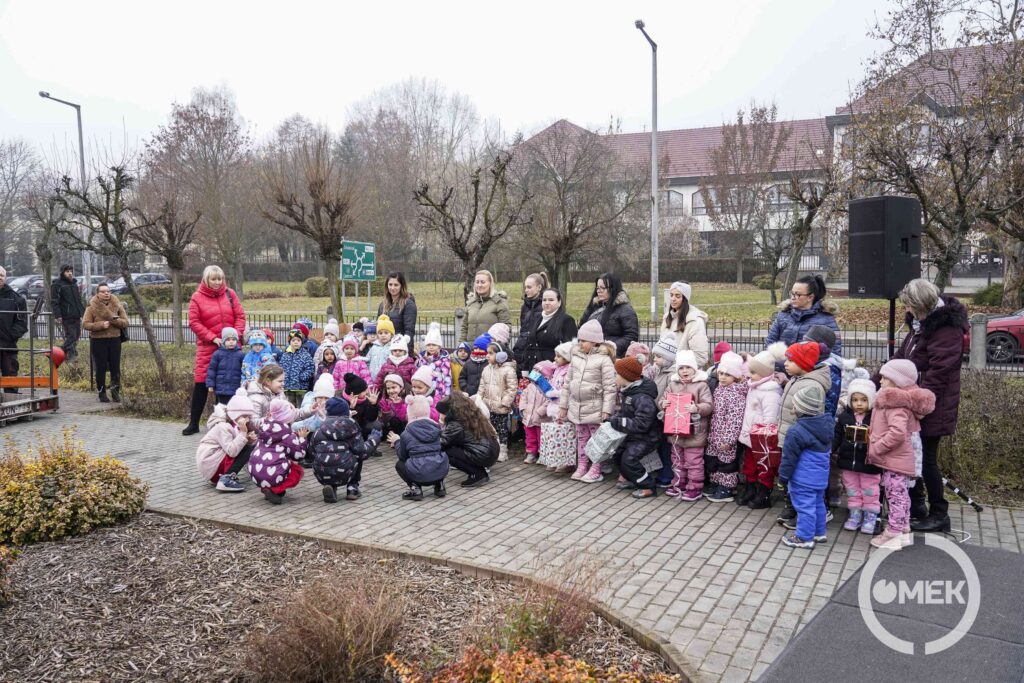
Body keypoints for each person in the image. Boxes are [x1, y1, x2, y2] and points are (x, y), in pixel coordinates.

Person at [888, 278, 968, 534]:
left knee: (928, 460)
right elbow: (903, 358)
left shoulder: (945, 329)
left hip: (934, 405)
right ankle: (917, 505)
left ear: (921, 305)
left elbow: (940, 370)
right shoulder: (922, 325)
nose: (908, 312)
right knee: (913, 457)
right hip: (917, 401)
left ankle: (939, 513)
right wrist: (879, 379)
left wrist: (919, 401)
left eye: (911, 307)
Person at [867, 359, 936, 549]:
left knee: (895, 494)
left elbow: (897, 433)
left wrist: (877, 447)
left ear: (897, 380)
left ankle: (893, 532)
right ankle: (903, 528)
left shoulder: (895, 405)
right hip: (899, 458)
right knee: (901, 493)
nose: (880, 381)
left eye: (885, 377)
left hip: (895, 459)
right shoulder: (897, 401)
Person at [776, 341, 832, 530]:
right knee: (791, 476)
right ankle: (791, 507)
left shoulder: (812, 386)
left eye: (790, 360)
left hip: (800, 439)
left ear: (804, 364)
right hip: (788, 435)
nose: (785, 364)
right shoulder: (796, 379)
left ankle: (804, 514)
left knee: (800, 479)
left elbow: (809, 417)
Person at [185, 265, 246, 436]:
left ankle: (225, 422)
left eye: (220, 279)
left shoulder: (230, 294)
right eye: (214, 279)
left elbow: (240, 317)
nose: (217, 282)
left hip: (231, 348)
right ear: (206, 280)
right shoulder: (197, 297)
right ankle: (194, 422)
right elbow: (194, 322)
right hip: (208, 347)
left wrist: (234, 336)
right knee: (202, 384)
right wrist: (213, 338)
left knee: (227, 383)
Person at [558, 319, 617, 483]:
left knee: (597, 440)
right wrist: (563, 405)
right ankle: (583, 465)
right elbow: (567, 384)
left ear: (594, 341)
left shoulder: (604, 360)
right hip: (577, 406)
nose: (580, 343)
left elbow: (610, 387)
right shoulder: (576, 357)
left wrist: (607, 410)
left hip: (595, 407)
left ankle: (596, 468)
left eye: (584, 340)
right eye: (580, 340)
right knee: (582, 438)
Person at [778, 384, 832, 549]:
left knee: (804, 506)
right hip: (820, 476)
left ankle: (803, 537)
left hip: (803, 477)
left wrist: (783, 478)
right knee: (818, 503)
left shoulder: (796, 431)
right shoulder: (826, 425)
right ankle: (818, 532)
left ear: (801, 408)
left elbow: (789, 458)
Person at [738, 343, 787, 509]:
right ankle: (750, 487)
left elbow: (770, 418)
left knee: (764, 466)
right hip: (750, 435)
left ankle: (764, 491)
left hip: (761, 438)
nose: (749, 375)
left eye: (753, 372)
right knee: (749, 464)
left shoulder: (770, 392)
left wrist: (764, 435)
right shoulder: (754, 386)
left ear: (765, 373)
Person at [661, 350, 713, 501]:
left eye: (688, 367)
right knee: (677, 459)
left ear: (695, 369)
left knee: (693, 461)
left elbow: (709, 405)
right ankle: (678, 483)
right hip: (675, 430)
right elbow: (663, 401)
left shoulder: (701, 386)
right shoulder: (672, 384)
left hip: (695, 433)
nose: (684, 371)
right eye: (681, 368)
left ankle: (695, 487)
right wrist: (663, 404)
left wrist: (696, 408)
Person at [310, 397, 382, 503]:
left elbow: (311, 452)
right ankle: (352, 487)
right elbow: (363, 452)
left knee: (326, 456)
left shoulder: (320, 429)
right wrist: (374, 439)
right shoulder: (351, 427)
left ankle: (330, 486)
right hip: (345, 471)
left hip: (322, 472)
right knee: (357, 454)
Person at [608, 357, 662, 499]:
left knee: (629, 459)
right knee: (617, 454)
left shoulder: (642, 397)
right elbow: (626, 413)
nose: (615, 377)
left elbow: (642, 423)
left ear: (627, 377)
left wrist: (619, 422)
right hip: (633, 435)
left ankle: (648, 486)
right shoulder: (629, 392)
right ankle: (634, 480)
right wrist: (615, 419)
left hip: (647, 437)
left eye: (617, 374)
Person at [835, 378, 881, 535]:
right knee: (852, 489)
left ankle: (870, 517)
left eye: (863, 400)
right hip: (848, 462)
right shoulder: (844, 417)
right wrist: (831, 450)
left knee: (870, 491)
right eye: (855, 400)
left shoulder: (876, 418)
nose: (859, 404)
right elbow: (837, 436)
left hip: (869, 463)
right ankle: (855, 514)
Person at [704, 352, 749, 503]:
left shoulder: (736, 395)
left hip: (726, 437)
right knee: (713, 460)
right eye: (721, 373)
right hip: (715, 434)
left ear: (735, 377)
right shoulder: (719, 389)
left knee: (726, 463)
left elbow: (735, 420)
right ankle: (716, 483)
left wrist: (728, 440)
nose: (722, 377)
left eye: (727, 375)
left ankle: (727, 488)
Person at [195, 389, 257, 493]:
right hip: (210, 462)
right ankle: (225, 480)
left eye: (248, 416)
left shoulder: (233, 425)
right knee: (248, 449)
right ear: (234, 415)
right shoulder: (223, 427)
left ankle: (226, 477)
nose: (247, 419)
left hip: (215, 461)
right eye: (244, 416)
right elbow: (232, 451)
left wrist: (247, 440)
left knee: (249, 447)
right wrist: (243, 433)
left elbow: (235, 446)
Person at [249, 399, 309, 505]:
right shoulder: (288, 435)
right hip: (271, 474)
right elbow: (299, 455)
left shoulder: (264, 429)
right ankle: (274, 490)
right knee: (296, 470)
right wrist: (302, 439)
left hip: (255, 473)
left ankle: (267, 488)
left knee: (275, 462)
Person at [765, 274, 842, 357]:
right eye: (792, 293)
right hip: (781, 368)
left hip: (811, 369)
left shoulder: (826, 320)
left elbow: (834, 353)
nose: (793, 298)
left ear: (810, 297)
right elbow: (770, 344)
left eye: (798, 295)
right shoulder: (783, 315)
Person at [389, 394, 448, 500]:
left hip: (419, 473)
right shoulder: (437, 428)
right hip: (439, 469)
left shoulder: (406, 433)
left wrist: (397, 441)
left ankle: (415, 488)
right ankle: (440, 486)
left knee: (400, 464)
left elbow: (402, 456)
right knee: (436, 456)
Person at [438, 392, 500, 487]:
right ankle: (480, 472)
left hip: (482, 455)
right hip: (491, 452)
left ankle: (477, 474)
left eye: (441, 413)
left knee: (447, 452)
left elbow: (442, 442)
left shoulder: (455, 424)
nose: (440, 416)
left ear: (448, 412)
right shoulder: (471, 416)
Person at [82, 283, 129, 403]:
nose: (106, 293)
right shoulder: (91, 306)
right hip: (98, 340)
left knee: (115, 366)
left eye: (108, 291)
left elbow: (125, 322)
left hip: (115, 339)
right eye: (103, 291)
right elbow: (85, 324)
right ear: (98, 293)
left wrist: (115, 322)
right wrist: (100, 325)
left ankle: (115, 392)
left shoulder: (117, 304)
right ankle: (102, 392)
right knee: (101, 367)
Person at [476, 340, 518, 462]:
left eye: (490, 353)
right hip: (488, 406)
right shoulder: (486, 369)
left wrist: (504, 402)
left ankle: (503, 451)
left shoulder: (508, 370)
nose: (487, 356)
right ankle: (492, 450)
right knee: (489, 429)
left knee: (502, 430)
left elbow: (512, 388)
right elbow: (482, 386)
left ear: (500, 355)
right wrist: (479, 400)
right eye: (487, 353)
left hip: (500, 407)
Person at [580, 273, 639, 358]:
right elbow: (581, 327)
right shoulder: (594, 306)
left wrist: (609, 347)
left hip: (612, 357)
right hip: (589, 355)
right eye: (597, 288)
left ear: (613, 288)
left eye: (603, 288)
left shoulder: (625, 309)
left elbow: (631, 337)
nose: (598, 291)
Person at [659, 281, 710, 368]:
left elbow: (700, 357)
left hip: (684, 376)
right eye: (671, 295)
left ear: (685, 298)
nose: (673, 299)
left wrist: (678, 369)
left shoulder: (695, 321)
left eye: (677, 296)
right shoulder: (667, 317)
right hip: (664, 372)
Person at [519, 360, 556, 464]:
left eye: (537, 371)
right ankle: (531, 453)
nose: (534, 373)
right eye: (534, 370)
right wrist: (523, 408)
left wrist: (540, 412)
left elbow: (549, 401)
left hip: (542, 419)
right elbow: (523, 397)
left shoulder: (547, 387)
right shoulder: (530, 386)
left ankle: (542, 453)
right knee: (530, 437)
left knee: (541, 437)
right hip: (528, 417)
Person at [461, 269, 511, 343]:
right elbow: (464, 328)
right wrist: (462, 346)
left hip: (490, 351)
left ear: (490, 283)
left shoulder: (499, 303)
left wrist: (496, 348)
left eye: (483, 282)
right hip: (472, 350)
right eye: (477, 282)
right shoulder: (470, 303)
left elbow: (506, 329)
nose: (479, 285)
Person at [0, 267, 28, 394]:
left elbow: (22, 323)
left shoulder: (17, 299)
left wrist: (10, 336)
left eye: (1, 275)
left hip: (8, 347)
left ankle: (11, 404)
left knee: (11, 378)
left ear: (5, 278)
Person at [51, 264, 85, 363]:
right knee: (72, 336)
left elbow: (78, 300)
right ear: (62, 273)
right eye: (67, 271)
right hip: (66, 315)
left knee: (77, 335)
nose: (70, 273)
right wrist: (58, 315)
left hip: (76, 314)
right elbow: (54, 301)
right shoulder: (57, 284)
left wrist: (82, 312)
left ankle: (69, 354)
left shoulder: (74, 284)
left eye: (71, 271)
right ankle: (66, 353)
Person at [204, 327, 245, 405]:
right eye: (228, 340)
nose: (231, 342)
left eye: (233, 339)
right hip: (221, 387)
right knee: (222, 408)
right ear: (223, 341)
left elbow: (244, 370)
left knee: (234, 408)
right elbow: (212, 369)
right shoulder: (218, 354)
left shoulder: (240, 354)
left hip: (235, 387)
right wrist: (210, 384)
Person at [377, 272, 418, 345]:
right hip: (384, 347)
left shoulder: (408, 304)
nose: (392, 288)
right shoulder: (382, 305)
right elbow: (378, 326)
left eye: (396, 285)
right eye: (390, 284)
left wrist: (400, 345)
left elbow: (409, 331)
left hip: (400, 349)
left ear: (402, 286)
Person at [279, 329, 315, 407]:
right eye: (293, 340)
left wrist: (301, 377)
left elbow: (310, 369)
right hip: (287, 387)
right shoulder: (285, 355)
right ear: (289, 342)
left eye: (298, 340)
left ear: (301, 342)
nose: (296, 342)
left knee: (300, 406)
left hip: (300, 387)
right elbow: (280, 368)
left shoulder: (305, 355)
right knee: (289, 406)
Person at [416, 322, 453, 399]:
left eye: (434, 345)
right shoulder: (422, 358)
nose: (431, 347)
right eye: (429, 345)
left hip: (439, 391)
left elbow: (447, 378)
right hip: (424, 391)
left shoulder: (444, 359)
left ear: (439, 346)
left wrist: (446, 394)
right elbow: (417, 372)